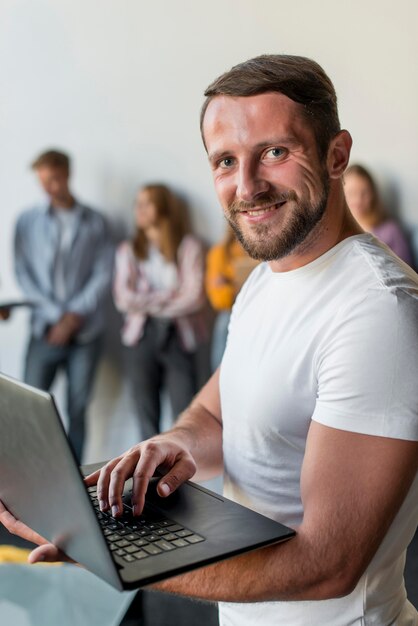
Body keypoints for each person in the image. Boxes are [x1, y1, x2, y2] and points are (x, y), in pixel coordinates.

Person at [2, 55, 418, 626]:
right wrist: (174, 445)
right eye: (226, 161)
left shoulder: (379, 310)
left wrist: (113, 561)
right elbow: (216, 416)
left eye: (275, 151)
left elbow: (329, 564)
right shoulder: (267, 281)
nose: (247, 186)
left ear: (336, 153)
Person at [14, 149, 113, 462]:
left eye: (54, 179)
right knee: (27, 407)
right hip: (43, 330)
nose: (49, 187)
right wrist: (58, 316)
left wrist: (73, 317)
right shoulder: (27, 222)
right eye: (43, 181)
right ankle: (27, 472)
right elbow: (23, 273)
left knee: (77, 409)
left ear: (67, 175)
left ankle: (73, 477)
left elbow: (103, 273)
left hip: (85, 333)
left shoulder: (96, 222)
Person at [113, 183, 206, 439]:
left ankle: (179, 476)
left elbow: (194, 297)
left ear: (163, 206)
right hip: (140, 336)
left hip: (179, 336)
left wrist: (146, 301)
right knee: (146, 416)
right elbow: (123, 299)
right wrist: (167, 297)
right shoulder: (128, 250)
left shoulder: (189, 246)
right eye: (137, 204)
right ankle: (149, 476)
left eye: (147, 203)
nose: (139, 209)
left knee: (184, 415)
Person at [205, 224, 257, 369]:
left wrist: (229, 282)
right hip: (232, 308)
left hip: (262, 308)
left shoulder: (269, 250)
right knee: (225, 321)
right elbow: (218, 300)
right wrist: (235, 287)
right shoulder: (219, 253)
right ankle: (220, 373)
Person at [344, 163, 414, 265]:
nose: (358, 200)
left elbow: (407, 271)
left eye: (364, 193)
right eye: (351, 193)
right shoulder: (336, 234)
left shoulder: (391, 231)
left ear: (373, 193)